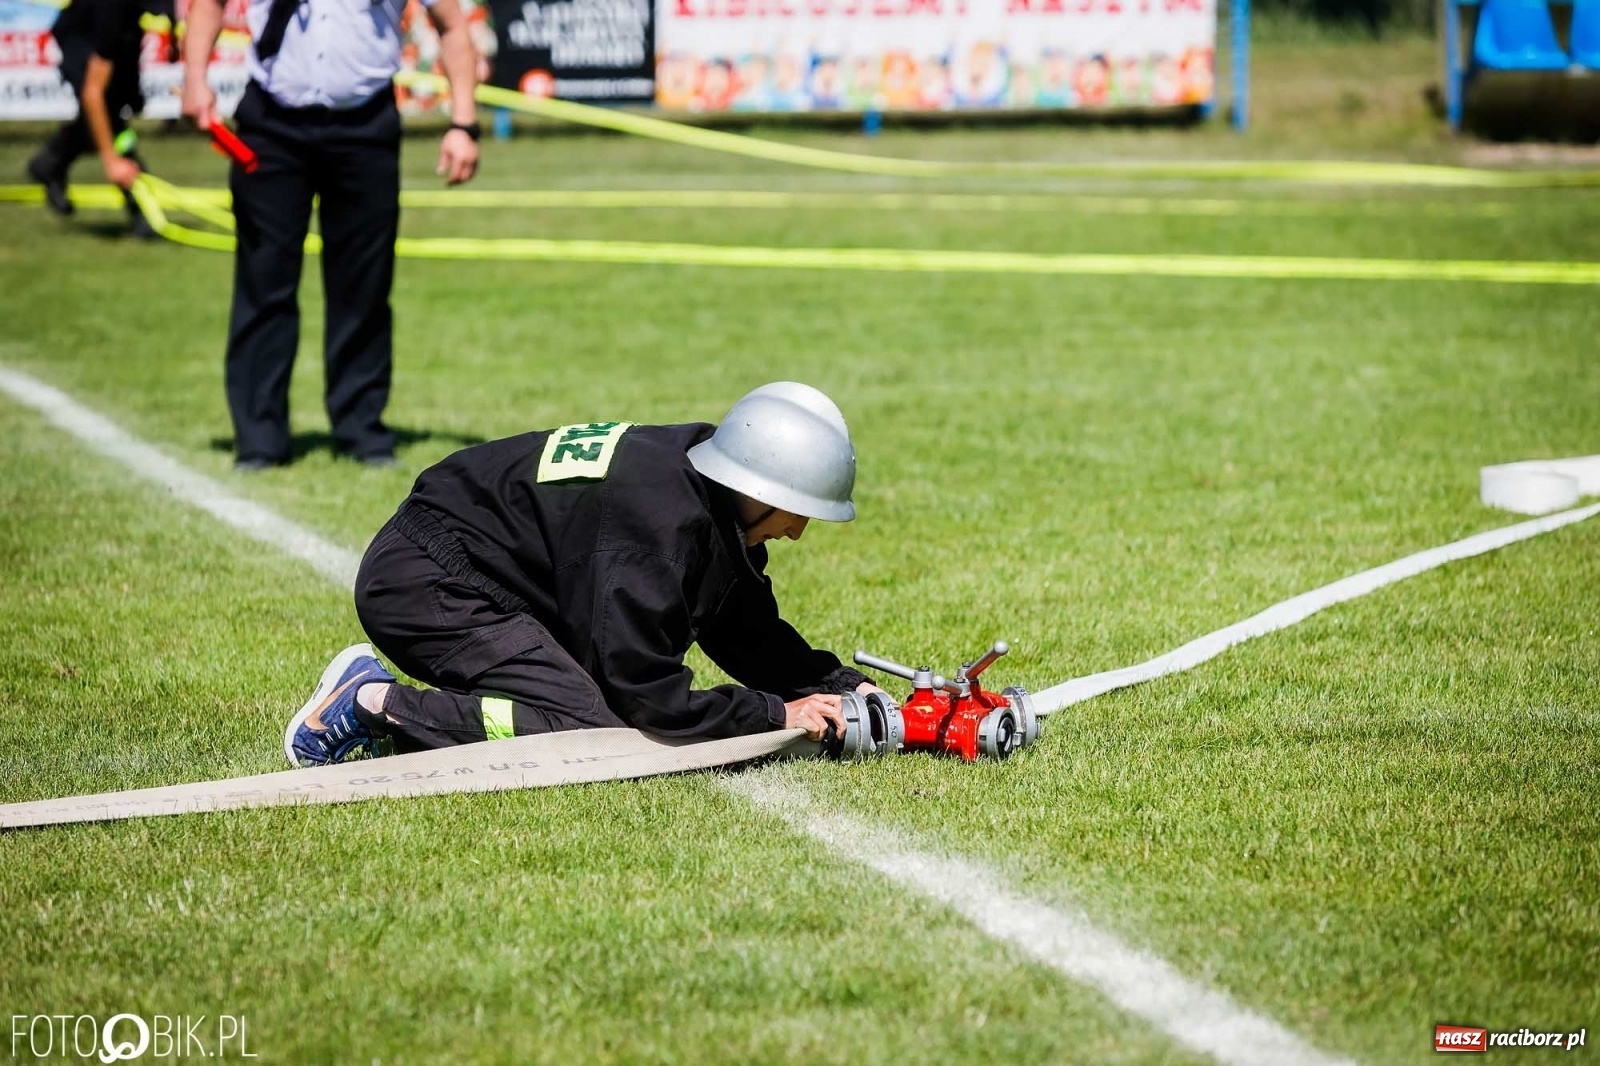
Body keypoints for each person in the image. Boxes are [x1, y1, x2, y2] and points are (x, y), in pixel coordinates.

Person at [285, 383, 882, 767]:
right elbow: (648, 695)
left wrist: (839, 686)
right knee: (586, 724)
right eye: (799, 511)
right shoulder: (658, 532)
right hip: (428, 581)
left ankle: (376, 691)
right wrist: (776, 714)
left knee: (585, 700)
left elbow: (742, 625)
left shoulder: (710, 481)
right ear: (760, 484)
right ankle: (368, 705)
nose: (799, 531)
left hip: (488, 572)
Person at [180, 0, 482, 471]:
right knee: (264, 281)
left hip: (366, 127)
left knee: (363, 283)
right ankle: (260, 438)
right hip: (271, 125)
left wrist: (464, 122)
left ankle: (361, 429)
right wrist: (194, 78)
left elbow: (451, 24)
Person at [25, 0, 162, 236]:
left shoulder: (134, 12)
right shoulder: (110, 11)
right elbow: (92, 93)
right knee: (109, 124)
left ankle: (50, 163)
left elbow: (134, 33)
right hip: (79, 43)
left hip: (108, 39)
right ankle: (140, 210)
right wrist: (111, 162)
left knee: (95, 127)